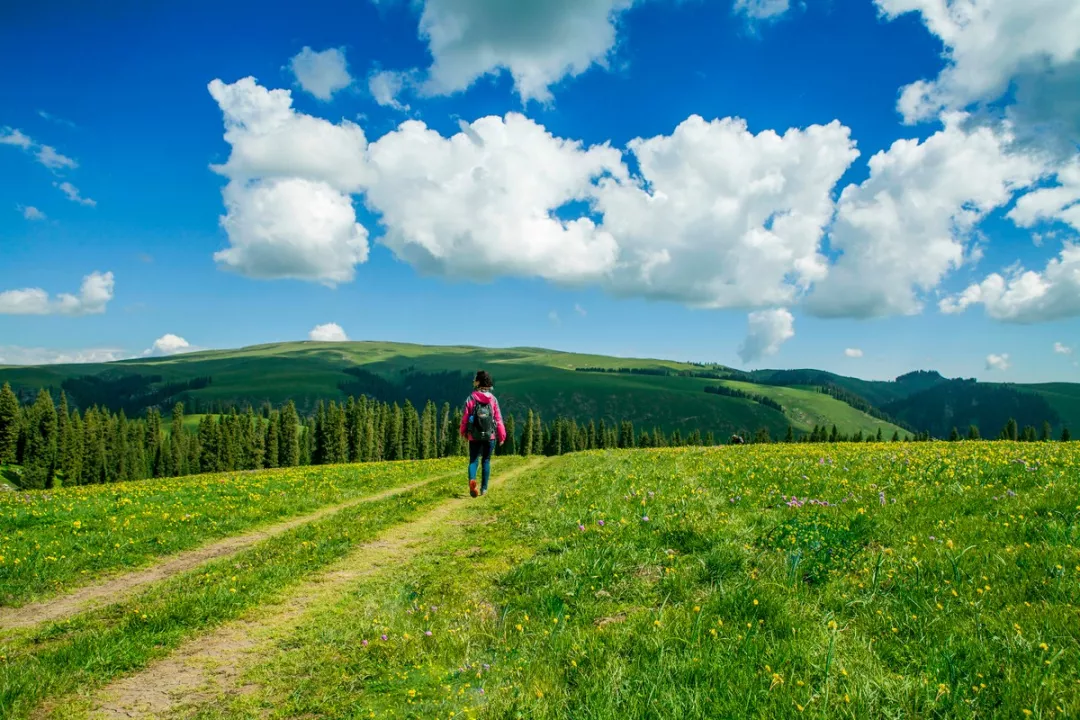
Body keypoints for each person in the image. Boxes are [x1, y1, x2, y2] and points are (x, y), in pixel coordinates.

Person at [459, 370, 507, 497]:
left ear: (478, 382)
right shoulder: (493, 399)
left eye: (475, 379)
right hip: (489, 436)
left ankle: (472, 482)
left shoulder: (471, 398)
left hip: (474, 435)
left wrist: (463, 431)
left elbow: (465, 417)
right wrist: (502, 436)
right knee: (486, 461)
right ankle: (484, 489)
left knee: (473, 461)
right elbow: (498, 419)